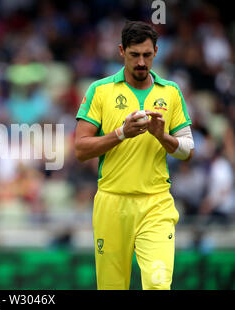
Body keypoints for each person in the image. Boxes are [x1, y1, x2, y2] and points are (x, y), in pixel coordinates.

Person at [74, 21, 194, 290]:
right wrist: (121, 133)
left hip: (156, 203)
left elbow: (188, 151)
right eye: (134, 55)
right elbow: (81, 149)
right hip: (112, 203)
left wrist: (162, 136)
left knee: (158, 284)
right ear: (121, 51)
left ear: (156, 52)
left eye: (147, 55)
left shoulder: (171, 92)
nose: (141, 62)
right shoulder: (100, 90)